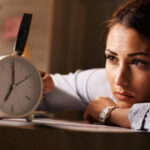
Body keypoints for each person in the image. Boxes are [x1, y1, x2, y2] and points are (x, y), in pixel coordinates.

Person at [40, 0, 150, 131]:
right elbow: (31, 94)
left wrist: (110, 113)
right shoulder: (103, 83)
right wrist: (31, 80)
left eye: (138, 62)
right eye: (112, 58)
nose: (119, 80)